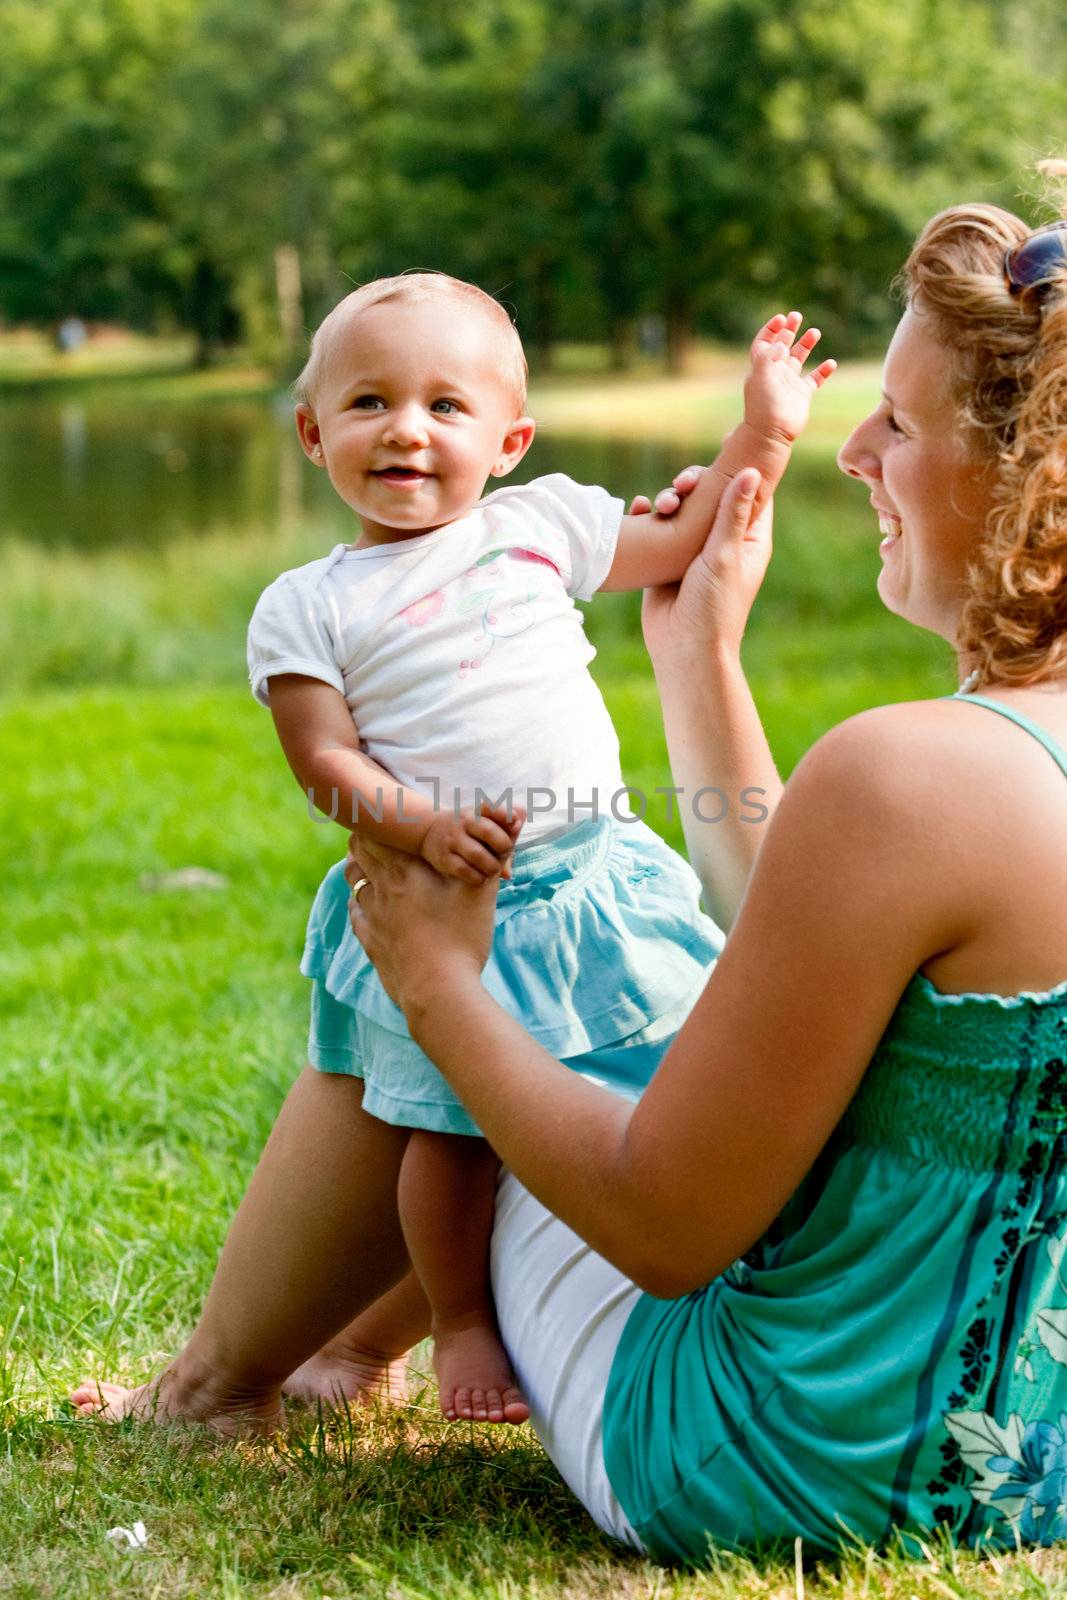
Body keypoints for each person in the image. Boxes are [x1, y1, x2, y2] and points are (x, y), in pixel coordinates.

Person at [73, 186, 1067, 1559]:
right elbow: (815, 943)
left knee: (490, 1012)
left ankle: (212, 1386)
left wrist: (437, 988)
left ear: (1025, 474)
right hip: (1024, 1468)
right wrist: (696, 654)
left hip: (764, 1455)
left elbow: (663, 1227)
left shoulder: (907, 772)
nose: (852, 457)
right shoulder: (974, 775)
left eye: (893, 423)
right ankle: (330, 1355)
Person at [76, 272, 833, 1429]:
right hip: (451, 893)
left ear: (510, 439)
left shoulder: (540, 527)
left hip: (595, 880)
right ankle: (453, 1324)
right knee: (443, 1133)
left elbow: (689, 532)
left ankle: (361, 1344)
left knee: (635, 1090)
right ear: (311, 430)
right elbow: (322, 759)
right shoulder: (309, 604)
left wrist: (764, 436)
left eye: (444, 404)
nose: (405, 429)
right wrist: (418, 824)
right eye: (369, 401)